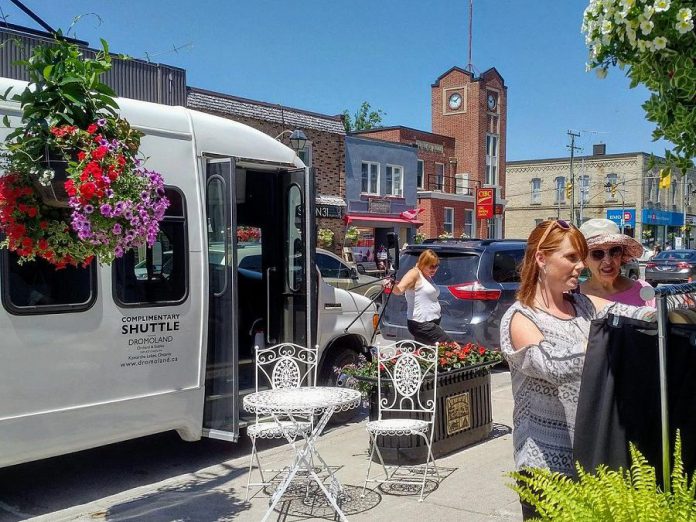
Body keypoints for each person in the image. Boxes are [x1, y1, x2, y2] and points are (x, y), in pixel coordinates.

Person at [499, 219, 655, 520]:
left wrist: (666, 312)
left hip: (590, 458)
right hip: (545, 469)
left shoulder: (582, 304)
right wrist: (608, 340)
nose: (580, 265)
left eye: (581, 257)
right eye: (571, 257)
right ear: (542, 259)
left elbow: (631, 314)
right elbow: (554, 365)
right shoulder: (520, 317)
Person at [579, 218, 655, 307]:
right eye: (597, 253)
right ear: (584, 260)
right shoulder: (573, 296)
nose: (607, 261)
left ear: (622, 254)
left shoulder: (643, 291)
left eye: (615, 251)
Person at [384, 249, 453, 345]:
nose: (434, 269)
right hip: (421, 323)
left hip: (432, 321)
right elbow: (399, 290)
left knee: (427, 352)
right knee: (451, 347)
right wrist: (391, 284)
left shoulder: (427, 276)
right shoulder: (414, 273)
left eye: (436, 266)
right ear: (423, 263)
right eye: (431, 266)